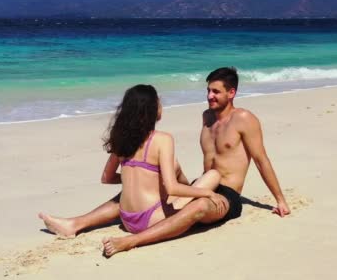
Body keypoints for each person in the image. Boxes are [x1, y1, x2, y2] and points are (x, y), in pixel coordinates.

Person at [102, 67, 290, 256]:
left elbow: (261, 159)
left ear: (231, 93)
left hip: (227, 194)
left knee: (198, 206)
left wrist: (280, 200)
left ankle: (132, 241)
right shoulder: (206, 117)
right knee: (142, 189)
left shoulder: (244, 119)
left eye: (216, 91)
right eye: (208, 90)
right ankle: (78, 222)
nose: (210, 96)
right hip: (202, 185)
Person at [38, 84, 223, 237]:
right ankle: (74, 224)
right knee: (213, 175)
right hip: (152, 220)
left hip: (127, 219)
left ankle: (73, 224)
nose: (161, 105)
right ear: (151, 109)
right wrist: (207, 194)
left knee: (153, 180)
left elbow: (106, 178)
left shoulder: (122, 137)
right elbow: (173, 188)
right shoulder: (163, 139)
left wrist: (138, 177)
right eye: (158, 102)